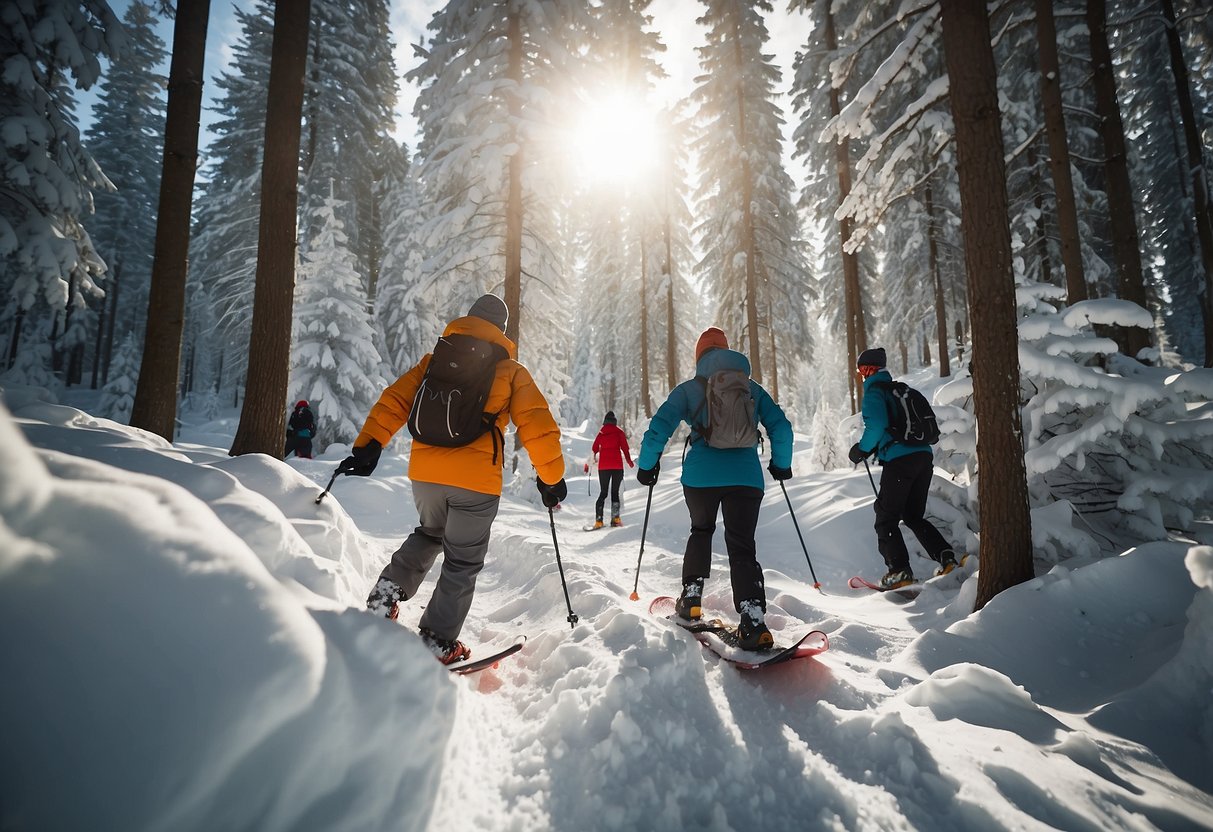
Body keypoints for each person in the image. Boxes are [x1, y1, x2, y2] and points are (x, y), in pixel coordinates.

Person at [341, 294, 567, 664]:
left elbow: (393, 401)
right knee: (462, 561)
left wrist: (369, 445)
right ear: (502, 330)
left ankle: (387, 593)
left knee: (430, 533)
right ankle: (437, 639)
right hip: (475, 483)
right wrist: (552, 477)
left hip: (426, 474)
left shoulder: (433, 361)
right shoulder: (510, 371)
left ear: (469, 319)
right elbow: (538, 426)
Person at [636, 326, 793, 651]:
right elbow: (781, 427)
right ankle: (752, 619)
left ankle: (691, 599)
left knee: (702, 530)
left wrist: (647, 465)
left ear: (699, 356)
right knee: (741, 546)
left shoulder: (691, 389)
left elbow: (659, 427)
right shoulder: (750, 388)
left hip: (701, 477)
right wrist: (781, 463)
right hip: (746, 478)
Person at [848, 347, 958, 589]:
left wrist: (861, 449)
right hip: (923, 458)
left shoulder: (875, 393)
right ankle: (946, 557)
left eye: (862, 370)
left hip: (900, 461)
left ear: (869, 370)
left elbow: (876, 426)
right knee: (912, 515)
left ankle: (899, 571)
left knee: (885, 518)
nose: (862, 375)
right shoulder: (903, 391)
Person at [588, 410, 634, 528]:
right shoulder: (619, 432)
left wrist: (590, 462)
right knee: (615, 493)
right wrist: (629, 462)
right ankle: (615, 519)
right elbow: (625, 448)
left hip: (603, 467)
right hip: (617, 467)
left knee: (603, 493)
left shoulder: (601, 433)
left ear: (605, 421)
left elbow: (594, 449)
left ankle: (599, 521)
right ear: (614, 421)